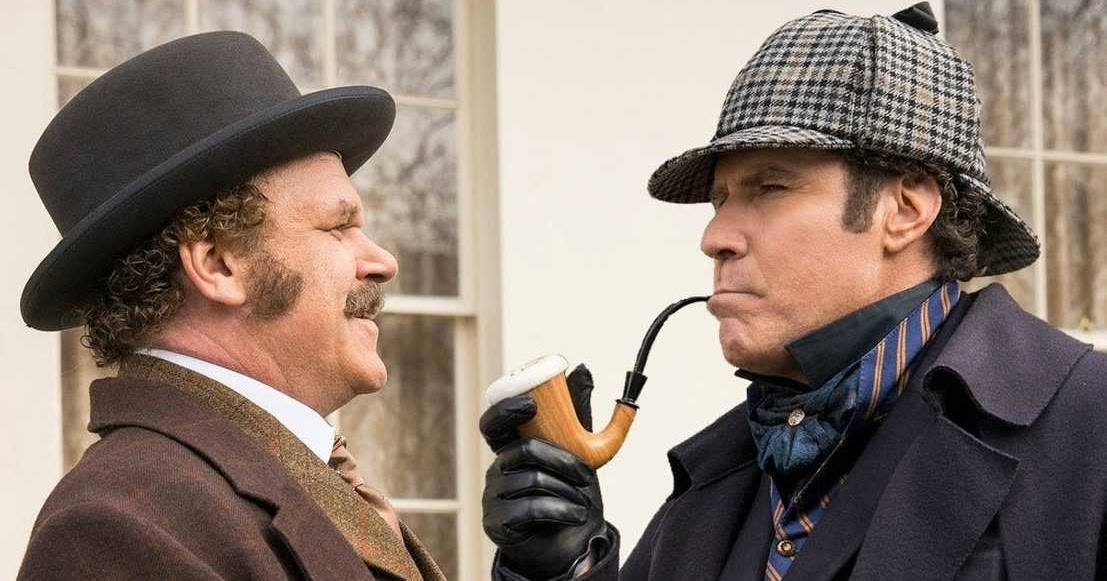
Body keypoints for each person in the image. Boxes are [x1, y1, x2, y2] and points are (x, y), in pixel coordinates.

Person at [479, 4, 1107, 580]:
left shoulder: (1090, 425)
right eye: (720, 200)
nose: (714, 238)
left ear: (905, 210)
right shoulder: (716, 480)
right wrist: (561, 568)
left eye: (770, 188)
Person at [18, 32, 443, 581]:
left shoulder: (238, 477)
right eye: (339, 227)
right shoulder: (117, 526)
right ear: (219, 264)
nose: (383, 262)